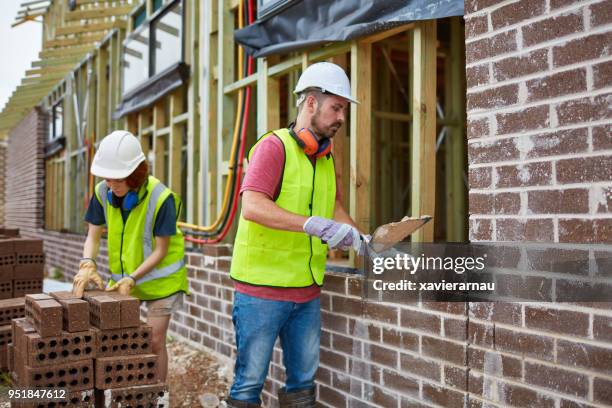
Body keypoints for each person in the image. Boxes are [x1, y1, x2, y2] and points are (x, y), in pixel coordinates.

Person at [227, 62, 365, 408]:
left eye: (344, 109)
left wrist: (361, 239)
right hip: (261, 291)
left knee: (302, 386)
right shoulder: (274, 148)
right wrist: (310, 224)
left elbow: (332, 208)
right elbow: (253, 207)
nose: (341, 117)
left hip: (306, 292)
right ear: (311, 104)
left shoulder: (325, 157)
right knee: (248, 386)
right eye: (337, 107)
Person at [72, 130, 189, 382]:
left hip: (162, 284)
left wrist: (133, 277)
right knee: (126, 343)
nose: (110, 185)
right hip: (126, 284)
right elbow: (93, 236)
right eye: (107, 178)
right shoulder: (103, 192)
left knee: (155, 342)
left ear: (135, 176)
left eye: (117, 179)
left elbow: (161, 250)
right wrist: (87, 264)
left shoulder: (162, 199)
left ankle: (157, 395)